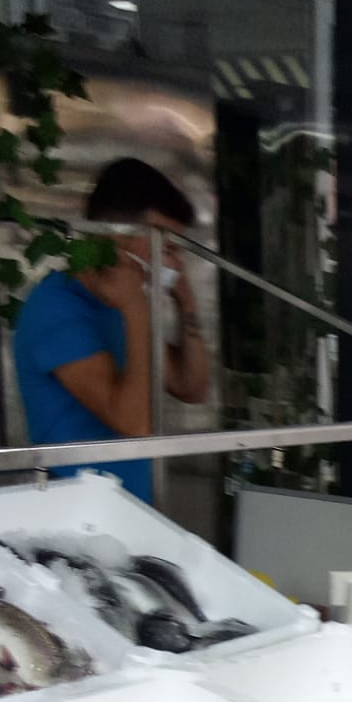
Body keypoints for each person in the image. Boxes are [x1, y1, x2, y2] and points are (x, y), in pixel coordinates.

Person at [13, 158, 211, 505]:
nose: (173, 262)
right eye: (164, 247)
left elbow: (190, 387)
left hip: (131, 507)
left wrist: (187, 303)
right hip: (80, 516)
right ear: (114, 238)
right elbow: (133, 424)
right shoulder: (57, 310)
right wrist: (136, 309)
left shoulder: (121, 305)